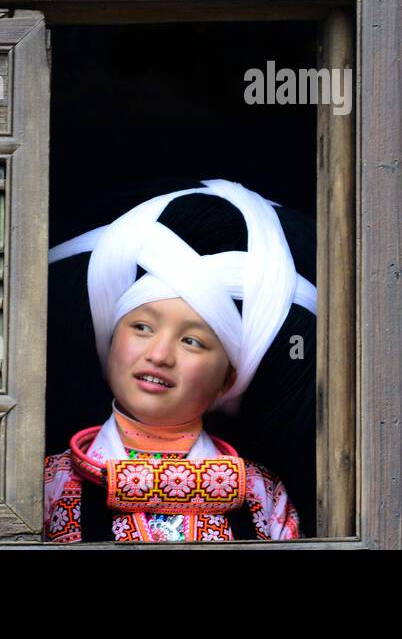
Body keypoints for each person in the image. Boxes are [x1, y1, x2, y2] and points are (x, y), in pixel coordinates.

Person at [42, 179, 314, 542]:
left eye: (192, 341)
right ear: (109, 345)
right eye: (141, 327)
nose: (158, 354)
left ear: (229, 379)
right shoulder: (49, 485)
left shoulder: (261, 495)